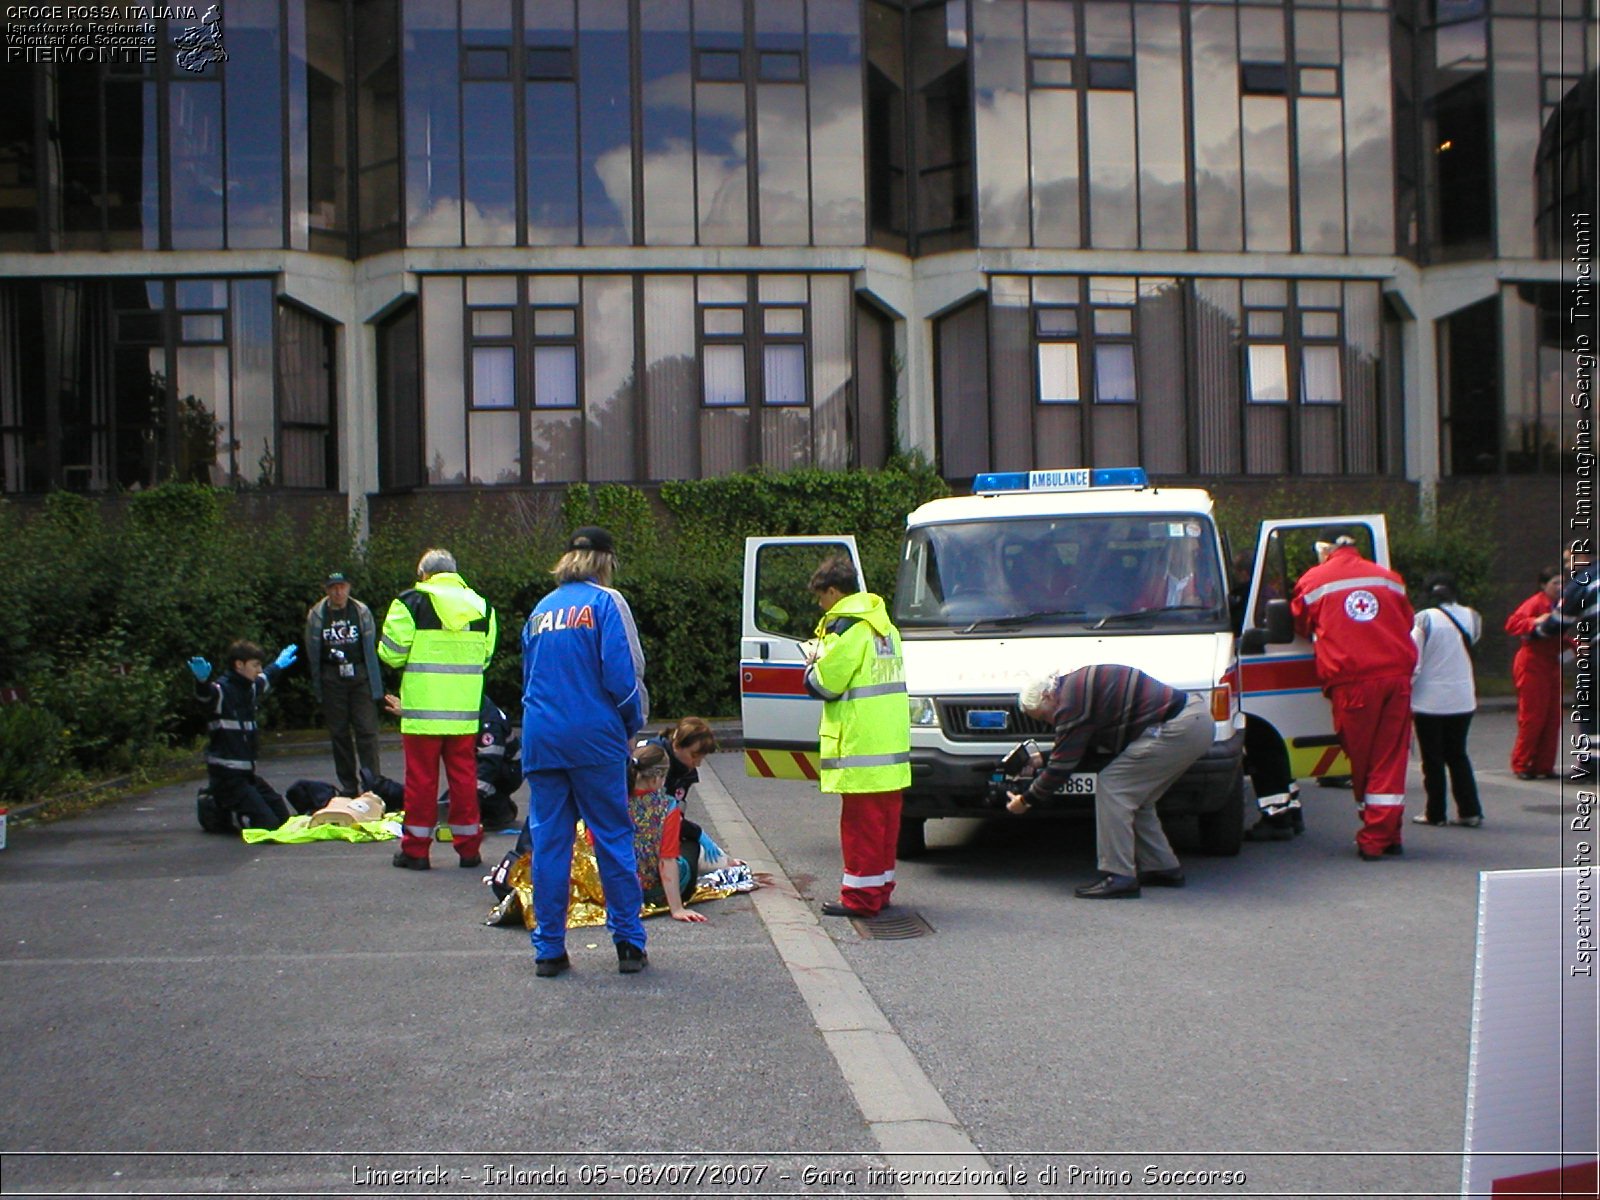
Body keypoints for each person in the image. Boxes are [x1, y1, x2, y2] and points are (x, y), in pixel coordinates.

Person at [521, 526, 650, 977]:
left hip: (542, 737)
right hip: (594, 737)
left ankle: (549, 949)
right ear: (606, 562)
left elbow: (528, 676)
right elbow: (623, 675)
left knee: (550, 845)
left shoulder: (540, 610)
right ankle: (629, 943)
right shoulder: (605, 603)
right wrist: (632, 725)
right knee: (612, 837)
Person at [1007, 664, 1210, 899]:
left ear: (1047, 696)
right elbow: (1085, 750)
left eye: (1044, 716)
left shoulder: (1071, 704)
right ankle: (1161, 867)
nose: (1050, 723)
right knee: (1137, 796)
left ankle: (1119, 876)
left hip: (1177, 728)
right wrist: (1040, 759)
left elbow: (1062, 768)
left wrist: (1026, 800)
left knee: (1113, 786)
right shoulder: (1075, 687)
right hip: (1194, 721)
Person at [1290, 533, 1417, 861]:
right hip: (1396, 676)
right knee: (1390, 758)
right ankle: (1389, 832)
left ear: (1325, 551)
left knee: (1363, 761)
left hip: (1353, 680)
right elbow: (1406, 621)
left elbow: (1300, 623)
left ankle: (1375, 837)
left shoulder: (1313, 580)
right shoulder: (1389, 578)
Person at [802, 554, 911, 919]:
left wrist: (811, 667)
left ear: (834, 592)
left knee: (860, 829)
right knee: (884, 827)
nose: (821, 605)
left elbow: (825, 683)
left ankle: (860, 900)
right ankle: (879, 890)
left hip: (860, 748)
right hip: (890, 749)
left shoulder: (848, 629)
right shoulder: (885, 627)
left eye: (821, 597)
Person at [378, 548, 497, 871]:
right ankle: (469, 848)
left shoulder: (410, 602)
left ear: (424, 575)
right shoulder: (481, 607)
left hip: (422, 713)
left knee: (421, 781)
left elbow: (391, 653)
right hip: (464, 713)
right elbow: (485, 658)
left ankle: (416, 851)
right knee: (464, 778)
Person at [188, 639, 302, 830]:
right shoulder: (221, 691)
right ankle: (219, 806)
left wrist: (277, 665)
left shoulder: (248, 688)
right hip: (227, 777)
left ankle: (228, 806)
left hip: (246, 775)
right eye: (255, 665)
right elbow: (206, 697)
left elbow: (264, 679)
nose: (259, 670)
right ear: (239, 665)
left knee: (283, 818)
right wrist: (202, 682)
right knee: (268, 824)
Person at [1410, 573, 1484, 827]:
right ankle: (1470, 811)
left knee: (1432, 759)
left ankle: (1435, 812)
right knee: (1457, 755)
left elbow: (1414, 662)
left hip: (1428, 700)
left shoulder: (1423, 619)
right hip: (1463, 696)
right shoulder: (1472, 616)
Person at [302, 571, 383, 797]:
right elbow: (313, 650)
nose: (338, 592)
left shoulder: (361, 611)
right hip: (332, 676)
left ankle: (372, 781)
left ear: (349, 587)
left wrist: (374, 683)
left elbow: (370, 649)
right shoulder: (317, 615)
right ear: (326, 590)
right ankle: (348, 784)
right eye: (333, 588)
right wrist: (319, 685)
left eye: (342, 587)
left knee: (366, 730)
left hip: (359, 675)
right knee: (339, 733)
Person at [628, 743, 706, 923]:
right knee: (690, 845)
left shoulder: (614, 800)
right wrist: (677, 909)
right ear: (656, 778)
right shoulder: (667, 807)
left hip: (620, 887)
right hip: (654, 890)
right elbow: (667, 860)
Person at [1505, 566, 1565, 780]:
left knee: (1552, 717)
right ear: (1543, 585)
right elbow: (1512, 624)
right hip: (1532, 664)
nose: (1559, 587)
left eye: (1561, 583)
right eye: (1555, 583)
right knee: (1532, 716)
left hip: (1551, 664)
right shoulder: (1535, 603)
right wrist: (1534, 621)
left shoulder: (1561, 605)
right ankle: (1522, 763)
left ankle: (1543, 765)